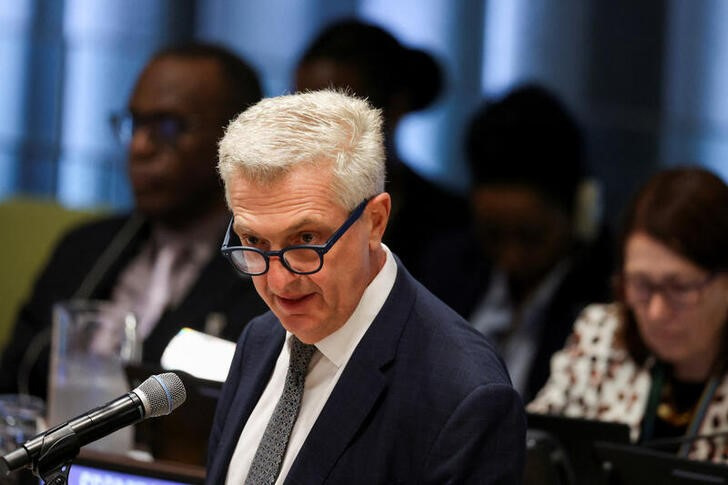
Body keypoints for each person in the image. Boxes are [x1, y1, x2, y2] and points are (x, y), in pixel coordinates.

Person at [206, 89, 525, 484]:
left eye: (306, 240)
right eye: (254, 242)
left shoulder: (464, 395)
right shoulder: (260, 340)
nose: (278, 281)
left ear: (375, 221)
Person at [0, 43, 269, 400]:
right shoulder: (85, 248)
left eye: (169, 127)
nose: (140, 147)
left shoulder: (266, 270)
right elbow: (13, 377)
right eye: (135, 123)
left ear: (235, 138)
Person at [420, 84, 614, 401]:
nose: (510, 258)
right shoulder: (444, 269)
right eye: (493, 234)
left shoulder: (604, 297)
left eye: (531, 237)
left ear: (577, 212)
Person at [528, 166, 728, 462]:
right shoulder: (603, 333)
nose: (657, 312)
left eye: (681, 287)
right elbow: (530, 448)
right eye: (642, 285)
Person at [294, 19, 469, 279]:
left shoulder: (451, 225)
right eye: (301, 113)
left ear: (395, 108)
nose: (314, 132)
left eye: (338, 116)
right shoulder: (273, 209)